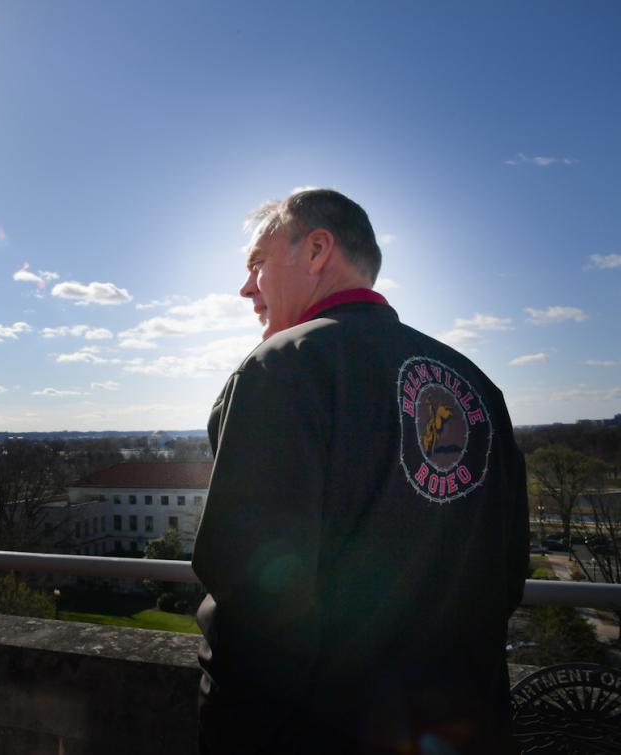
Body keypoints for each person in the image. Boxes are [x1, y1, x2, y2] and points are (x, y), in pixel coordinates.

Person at [192, 189, 529, 754]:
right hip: (467, 727)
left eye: (256, 264)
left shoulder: (282, 368)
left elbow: (254, 600)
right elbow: (506, 570)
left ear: (318, 249)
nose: (246, 288)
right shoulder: (477, 382)